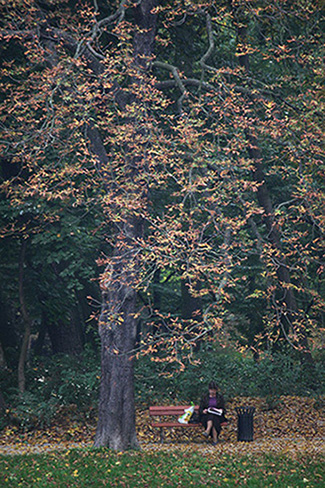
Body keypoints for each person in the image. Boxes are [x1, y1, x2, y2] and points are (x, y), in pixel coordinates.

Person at [199, 381, 227, 445]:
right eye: (211, 390)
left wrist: (220, 410)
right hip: (206, 416)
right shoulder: (205, 397)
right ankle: (215, 439)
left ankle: (207, 431)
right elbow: (200, 409)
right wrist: (203, 411)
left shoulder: (219, 397)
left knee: (214, 418)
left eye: (214, 390)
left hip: (218, 415)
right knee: (212, 417)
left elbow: (223, 409)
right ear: (209, 390)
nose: (213, 391)